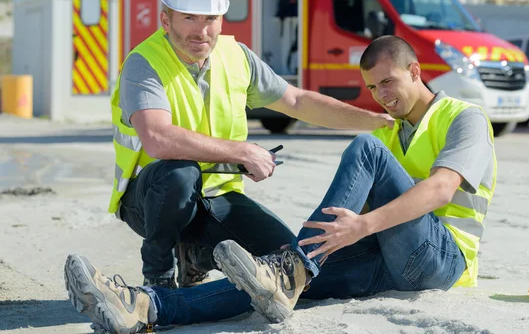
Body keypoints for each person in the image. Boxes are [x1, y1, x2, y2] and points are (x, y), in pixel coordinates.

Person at [64, 34, 497, 333]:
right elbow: (302, 103)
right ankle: (144, 306)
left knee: (360, 154)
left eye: (388, 82)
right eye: (371, 87)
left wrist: (360, 228)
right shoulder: (389, 131)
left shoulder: (463, 117)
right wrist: (340, 242)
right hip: (390, 259)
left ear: (416, 71)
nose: (381, 94)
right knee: (268, 285)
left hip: (443, 261)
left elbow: (441, 189)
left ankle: (293, 265)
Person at [108, 0, 394, 291]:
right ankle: (158, 276)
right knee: (179, 174)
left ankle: (196, 257)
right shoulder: (144, 63)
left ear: (221, 19)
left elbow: (298, 101)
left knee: (286, 259)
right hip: (152, 200)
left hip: (216, 196)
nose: (201, 30)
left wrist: (374, 120)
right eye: (189, 17)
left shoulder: (236, 57)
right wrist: (243, 151)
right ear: (165, 20)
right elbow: (157, 138)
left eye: (210, 18)